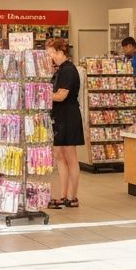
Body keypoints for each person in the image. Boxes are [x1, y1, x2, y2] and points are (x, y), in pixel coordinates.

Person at [46, 37, 83, 209]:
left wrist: (41, 95)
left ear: (60, 52)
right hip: (59, 117)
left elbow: (61, 96)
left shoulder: (68, 70)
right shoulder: (60, 70)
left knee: (70, 157)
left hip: (68, 117)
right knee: (59, 156)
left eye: (51, 53)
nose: (50, 56)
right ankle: (63, 195)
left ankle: (72, 197)